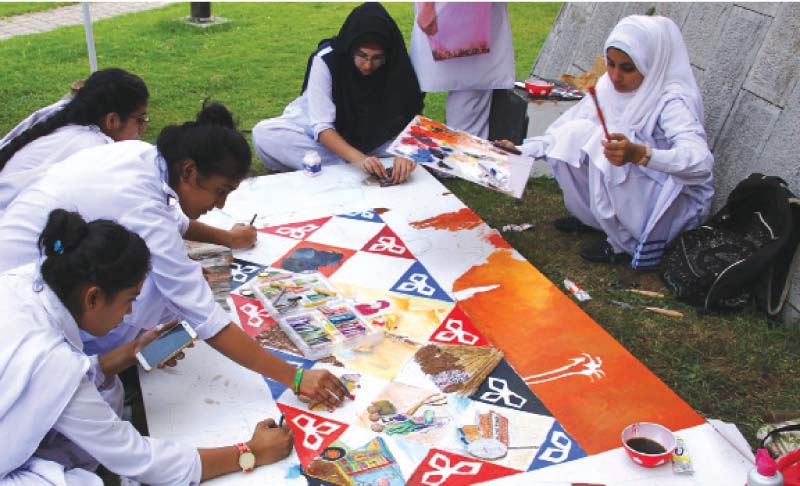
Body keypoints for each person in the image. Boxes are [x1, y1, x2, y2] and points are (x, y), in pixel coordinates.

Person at [0, 108, 348, 410]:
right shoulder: (139, 201)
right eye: (220, 191)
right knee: (168, 292)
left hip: (36, 269)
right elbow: (204, 315)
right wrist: (295, 376)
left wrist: (227, 238)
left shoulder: (143, 156)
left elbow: (174, 220)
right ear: (188, 172)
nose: (222, 204)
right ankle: (109, 362)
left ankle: (135, 351)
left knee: (170, 292)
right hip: (25, 302)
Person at [0, 209, 293, 485]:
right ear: (92, 298)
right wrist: (250, 452)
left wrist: (131, 352)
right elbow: (135, 458)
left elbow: (57, 385)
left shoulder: (25, 281)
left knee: (106, 395)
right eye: (130, 299)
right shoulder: (51, 362)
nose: (128, 314)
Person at [499, 15, 714, 269]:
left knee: (602, 144)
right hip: (638, 185)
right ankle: (596, 220)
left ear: (651, 65)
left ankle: (626, 243)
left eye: (627, 68)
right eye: (610, 64)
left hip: (672, 204)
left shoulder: (672, 101)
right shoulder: (607, 87)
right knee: (577, 133)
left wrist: (640, 154)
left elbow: (700, 163)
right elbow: (563, 131)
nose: (615, 76)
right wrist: (521, 151)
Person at [253, 2, 423, 184]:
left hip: (375, 140)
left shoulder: (395, 64)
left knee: (421, 148)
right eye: (362, 56)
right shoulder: (327, 60)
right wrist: (359, 159)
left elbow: (411, 113)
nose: (367, 65)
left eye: (377, 58)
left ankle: (346, 167)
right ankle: (353, 165)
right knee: (265, 134)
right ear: (350, 48)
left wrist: (406, 151)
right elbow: (322, 127)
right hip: (324, 138)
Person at [0, 68, 149, 211]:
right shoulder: (93, 150)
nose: (144, 127)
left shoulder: (61, 113)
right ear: (112, 121)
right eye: (141, 119)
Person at [409, 2, 515, 139]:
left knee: (471, 97)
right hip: (444, 13)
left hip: (479, 17)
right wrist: (428, 6)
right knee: (413, 85)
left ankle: (464, 151)